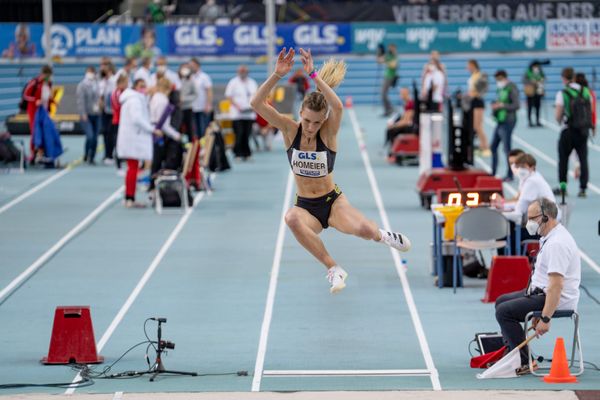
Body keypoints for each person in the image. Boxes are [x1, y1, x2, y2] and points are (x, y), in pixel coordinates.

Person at [251, 48, 411, 294]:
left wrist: (314, 75)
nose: (311, 127)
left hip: (332, 202)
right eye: (307, 121)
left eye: (317, 122)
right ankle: (334, 268)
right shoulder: (289, 130)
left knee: (366, 231)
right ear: (300, 114)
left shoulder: (327, 133)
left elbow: (337, 107)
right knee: (291, 218)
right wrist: (276, 75)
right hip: (306, 206)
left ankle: (383, 235)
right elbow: (256, 103)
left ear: (323, 121)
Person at [495, 198, 580, 375]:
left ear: (546, 217)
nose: (529, 223)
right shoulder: (549, 236)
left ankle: (526, 361)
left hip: (556, 298)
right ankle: (514, 350)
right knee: (501, 301)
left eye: (533, 219)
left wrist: (546, 318)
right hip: (541, 293)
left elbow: (556, 287)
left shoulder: (557, 244)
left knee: (504, 311)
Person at [116, 79, 162, 208]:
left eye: (145, 86)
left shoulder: (135, 99)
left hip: (131, 138)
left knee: (133, 168)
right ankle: (129, 198)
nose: (144, 88)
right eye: (141, 86)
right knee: (133, 168)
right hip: (132, 139)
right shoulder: (134, 100)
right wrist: (152, 129)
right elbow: (137, 119)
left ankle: (129, 197)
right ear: (135, 87)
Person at [554, 67, 592, 198]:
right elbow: (590, 110)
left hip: (568, 130)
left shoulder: (562, 93)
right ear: (574, 77)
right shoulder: (586, 91)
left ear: (563, 78)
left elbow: (558, 114)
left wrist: (559, 121)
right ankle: (583, 189)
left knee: (563, 160)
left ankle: (563, 187)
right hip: (583, 130)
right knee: (583, 159)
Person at [149, 77, 182, 190]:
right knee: (158, 161)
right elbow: (163, 124)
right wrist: (176, 135)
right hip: (158, 132)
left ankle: (152, 185)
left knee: (155, 161)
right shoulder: (163, 100)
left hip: (153, 129)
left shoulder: (154, 97)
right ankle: (154, 186)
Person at [490, 70, 520, 182]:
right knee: (493, 146)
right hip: (500, 120)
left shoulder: (512, 88)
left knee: (507, 149)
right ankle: (493, 172)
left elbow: (516, 105)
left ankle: (510, 174)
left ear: (503, 77)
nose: (497, 82)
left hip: (508, 121)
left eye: (498, 79)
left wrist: (503, 105)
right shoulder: (500, 88)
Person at [22, 65, 53, 162]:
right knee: (35, 132)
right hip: (33, 111)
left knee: (45, 131)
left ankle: (42, 153)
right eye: (47, 75)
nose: (48, 78)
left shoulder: (49, 83)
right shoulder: (34, 82)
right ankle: (33, 154)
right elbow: (25, 95)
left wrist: (52, 102)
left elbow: (47, 97)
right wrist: (35, 100)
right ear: (43, 74)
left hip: (44, 111)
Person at [226, 64, 257, 161]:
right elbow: (229, 96)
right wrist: (237, 106)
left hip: (249, 113)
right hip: (237, 114)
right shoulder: (233, 82)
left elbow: (256, 96)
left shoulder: (252, 83)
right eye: (241, 71)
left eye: (244, 71)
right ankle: (237, 153)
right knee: (239, 134)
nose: (243, 73)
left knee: (247, 134)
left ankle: (247, 153)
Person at [77, 66, 101, 165]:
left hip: (96, 113)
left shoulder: (97, 84)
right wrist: (83, 113)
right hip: (86, 114)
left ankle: (92, 157)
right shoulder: (82, 85)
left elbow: (99, 97)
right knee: (90, 136)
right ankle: (87, 153)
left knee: (95, 137)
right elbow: (80, 101)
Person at [466, 59, 490, 156]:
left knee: (477, 126)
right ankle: (482, 145)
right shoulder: (473, 75)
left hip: (477, 102)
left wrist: (473, 94)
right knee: (476, 126)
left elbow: (482, 90)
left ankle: (486, 147)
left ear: (473, 65)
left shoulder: (480, 75)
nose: (467, 68)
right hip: (473, 102)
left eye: (468, 65)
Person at [190, 58, 213, 138]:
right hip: (193, 107)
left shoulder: (204, 77)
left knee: (204, 130)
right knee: (196, 132)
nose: (191, 67)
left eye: (192, 65)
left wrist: (208, 104)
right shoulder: (190, 77)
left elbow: (209, 92)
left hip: (202, 107)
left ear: (197, 65)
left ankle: (205, 149)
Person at [110, 74, 129, 171]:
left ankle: (123, 160)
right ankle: (118, 165)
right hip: (117, 121)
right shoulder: (116, 93)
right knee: (118, 143)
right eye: (125, 83)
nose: (127, 85)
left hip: (124, 121)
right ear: (120, 83)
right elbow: (118, 107)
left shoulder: (124, 92)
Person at [99, 62, 117, 164]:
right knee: (105, 132)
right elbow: (101, 94)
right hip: (105, 110)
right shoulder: (102, 81)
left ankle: (111, 154)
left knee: (111, 133)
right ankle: (107, 154)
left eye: (104, 69)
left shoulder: (113, 81)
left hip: (113, 111)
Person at [377, 43, 398, 117]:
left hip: (390, 77)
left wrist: (386, 61)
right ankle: (389, 110)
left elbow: (394, 65)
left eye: (391, 48)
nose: (390, 49)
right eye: (389, 48)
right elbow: (379, 61)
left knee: (383, 94)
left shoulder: (394, 56)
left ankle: (390, 109)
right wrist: (379, 53)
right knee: (383, 94)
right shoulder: (388, 55)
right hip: (386, 76)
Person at [523, 61, 545, 127]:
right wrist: (531, 81)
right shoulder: (528, 72)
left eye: (537, 66)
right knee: (530, 107)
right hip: (530, 92)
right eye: (535, 66)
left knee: (538, 107)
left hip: (538, 92)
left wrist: (541, 81)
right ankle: (530, 121)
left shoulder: (540, 72)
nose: (536, 67)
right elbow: (524, 80)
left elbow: (543, 79)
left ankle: (538, 121)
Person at [178, 63, 197, 140]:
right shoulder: (176, 79)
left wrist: (185, 99)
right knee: (179, 128)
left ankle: (190, 146)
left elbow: (195, 94)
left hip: (187, 108)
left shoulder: (191, 81)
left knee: (189, 128)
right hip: (178, 108)